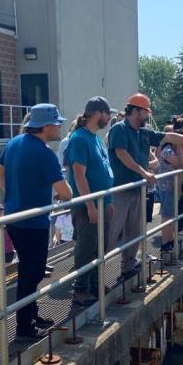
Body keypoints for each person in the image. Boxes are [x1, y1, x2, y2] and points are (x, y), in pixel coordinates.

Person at [107, 93, 183, 279]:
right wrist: (144, 172)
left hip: (138, 189)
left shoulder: (144, 132)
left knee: (135, 231)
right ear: (136, 111)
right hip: (120, 190)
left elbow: (168, 136)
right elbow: (122, 154)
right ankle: (93, 278)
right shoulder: (119, 130)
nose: (147, 116)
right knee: (111, 233)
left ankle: (128, 268)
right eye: (145, 112)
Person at [0, 103, 73, 340]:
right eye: (57, 123)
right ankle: (24, 328)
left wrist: (10, 193)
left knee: (30, 271)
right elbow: (66, 192)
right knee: (31, 274)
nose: (60, 127)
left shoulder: (15, 143)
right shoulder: (44, 153)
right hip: (34, 224)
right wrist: (59, 190)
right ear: (45, 126)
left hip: (15, 219)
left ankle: (32, 314)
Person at [66, 96, 115, 306]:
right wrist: (90, 205)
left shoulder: (95, 138)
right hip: (88, 205)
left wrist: (110, 200)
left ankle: (95, 283)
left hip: (102, 202)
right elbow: (79, 175)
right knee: (87, 246)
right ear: (97, 114)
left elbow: (105, 170)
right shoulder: (79, 138)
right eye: (107, 114)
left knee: (99, 246)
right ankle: (81, 289)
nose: (109, 118)